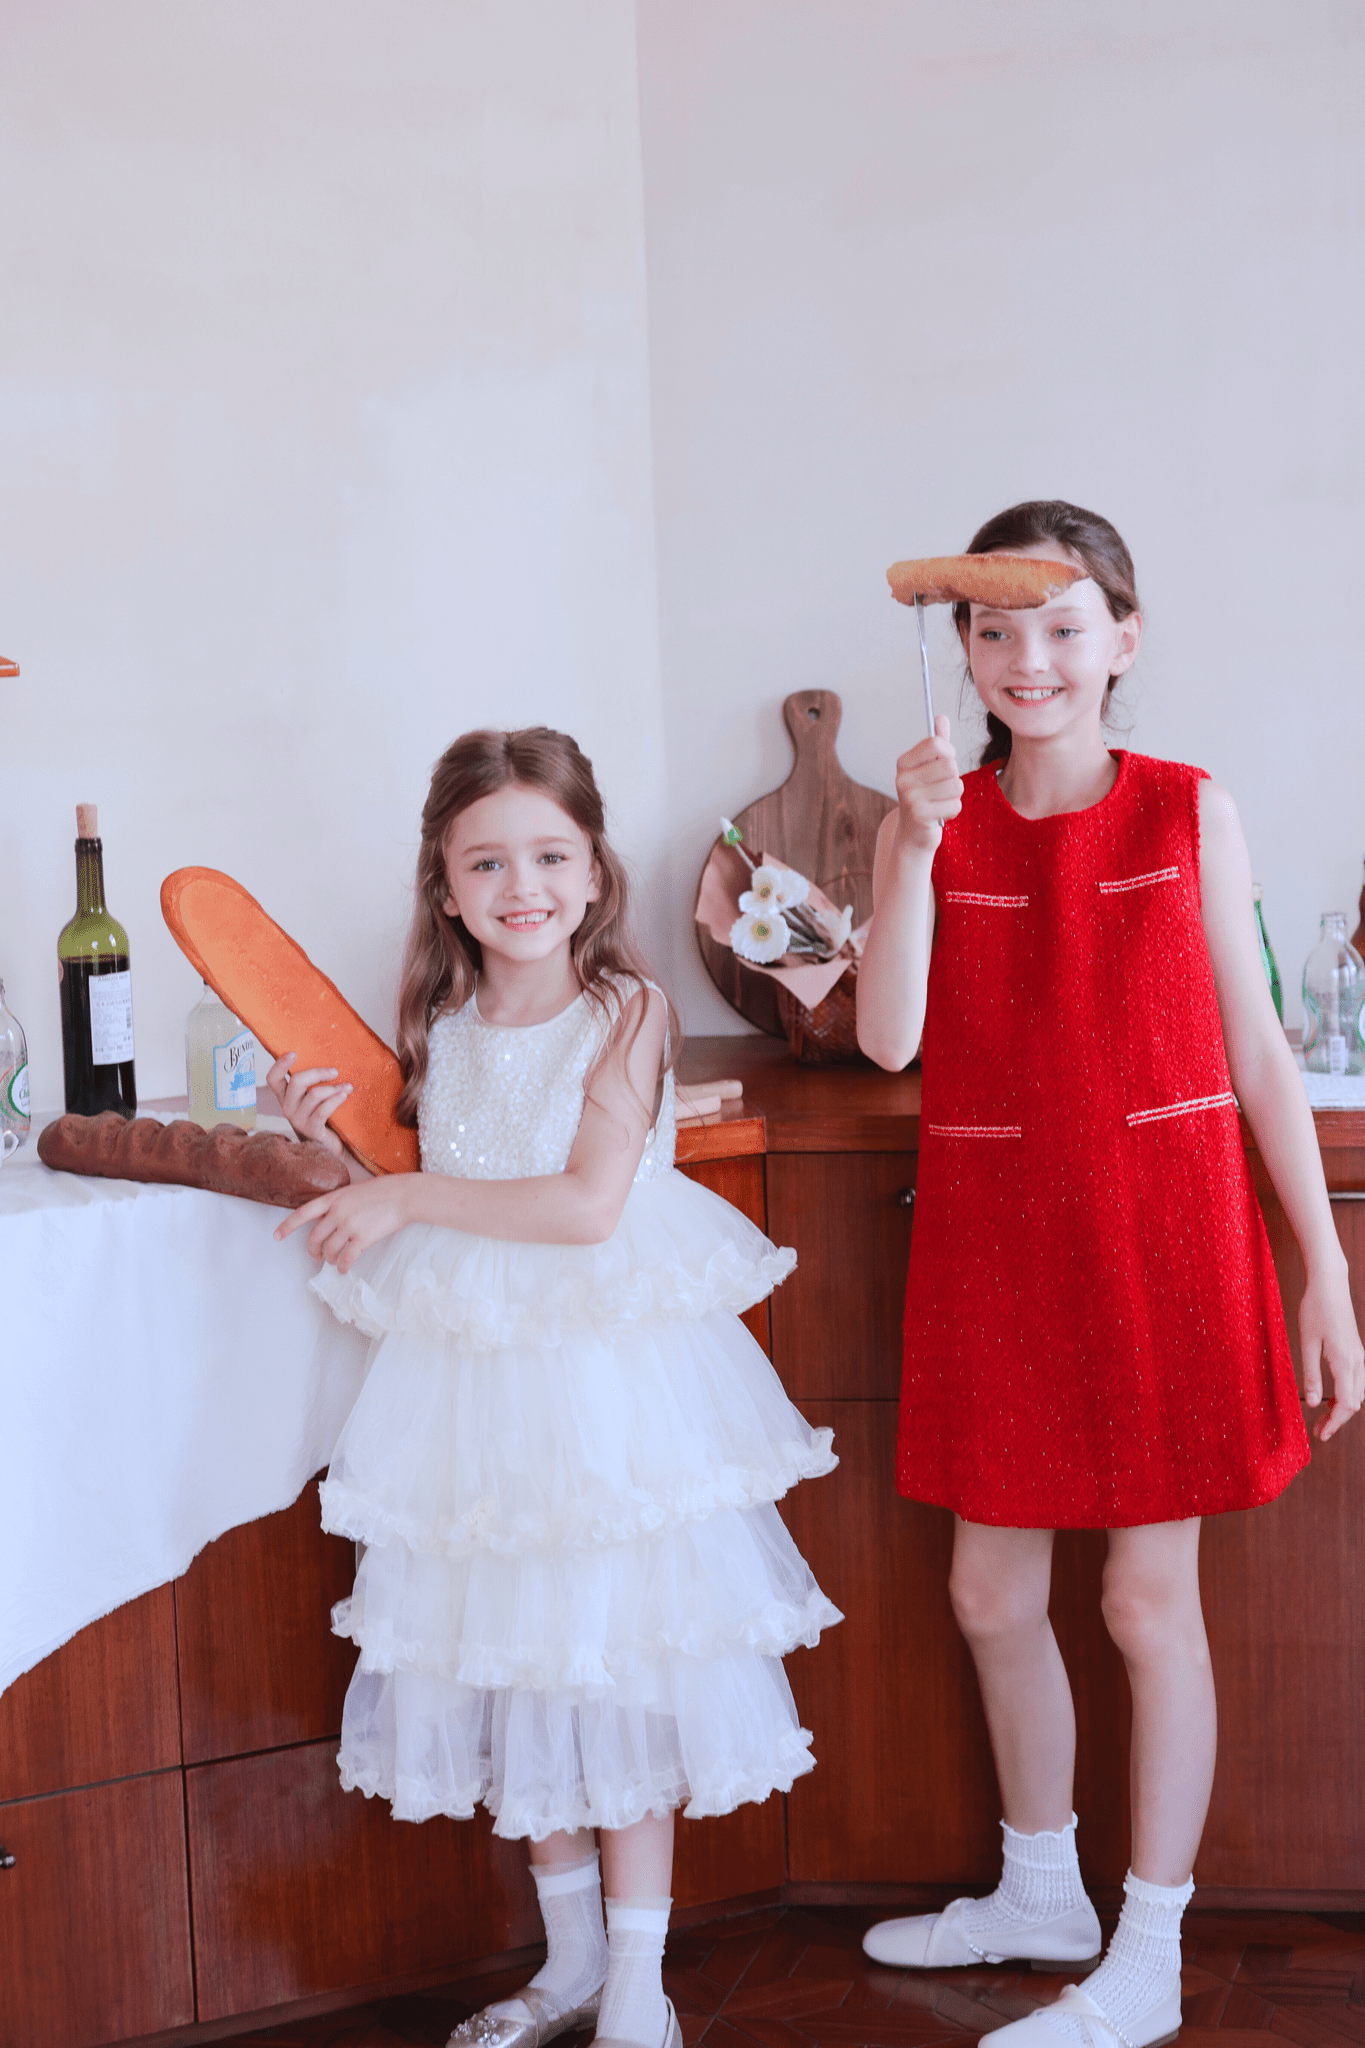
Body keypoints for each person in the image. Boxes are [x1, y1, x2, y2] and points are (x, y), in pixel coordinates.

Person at [855, 501, 1363, 2048]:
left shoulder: (1186, 810)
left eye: (1066, 627)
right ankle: (1037, 1890)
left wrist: (1323, 1276)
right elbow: (887, 1036)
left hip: (1167, 1241)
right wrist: (906, 847)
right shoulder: (932, 822)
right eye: (997, 631)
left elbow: (1262, 1057)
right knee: (987, 1589)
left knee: (1149, 1604)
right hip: (996, 1245)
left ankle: (1145, 1950)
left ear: (1123, 643)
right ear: (962, 651)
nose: (1031, 659)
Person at [271, 727, 840, 2048]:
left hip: (603, 1394)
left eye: (548, 854)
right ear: (446, 885)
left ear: (592, 872)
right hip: (477, 1403)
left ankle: (640, 1979)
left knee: (614, 1662)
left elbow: (586, 1207)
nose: (519, 883)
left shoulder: (626, 1012)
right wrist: (336, 1143)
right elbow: (427, 1193)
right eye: (486, 861)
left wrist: (404, 1185)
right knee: (520, 1665)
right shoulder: (439, 1025)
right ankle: (568, 1959)